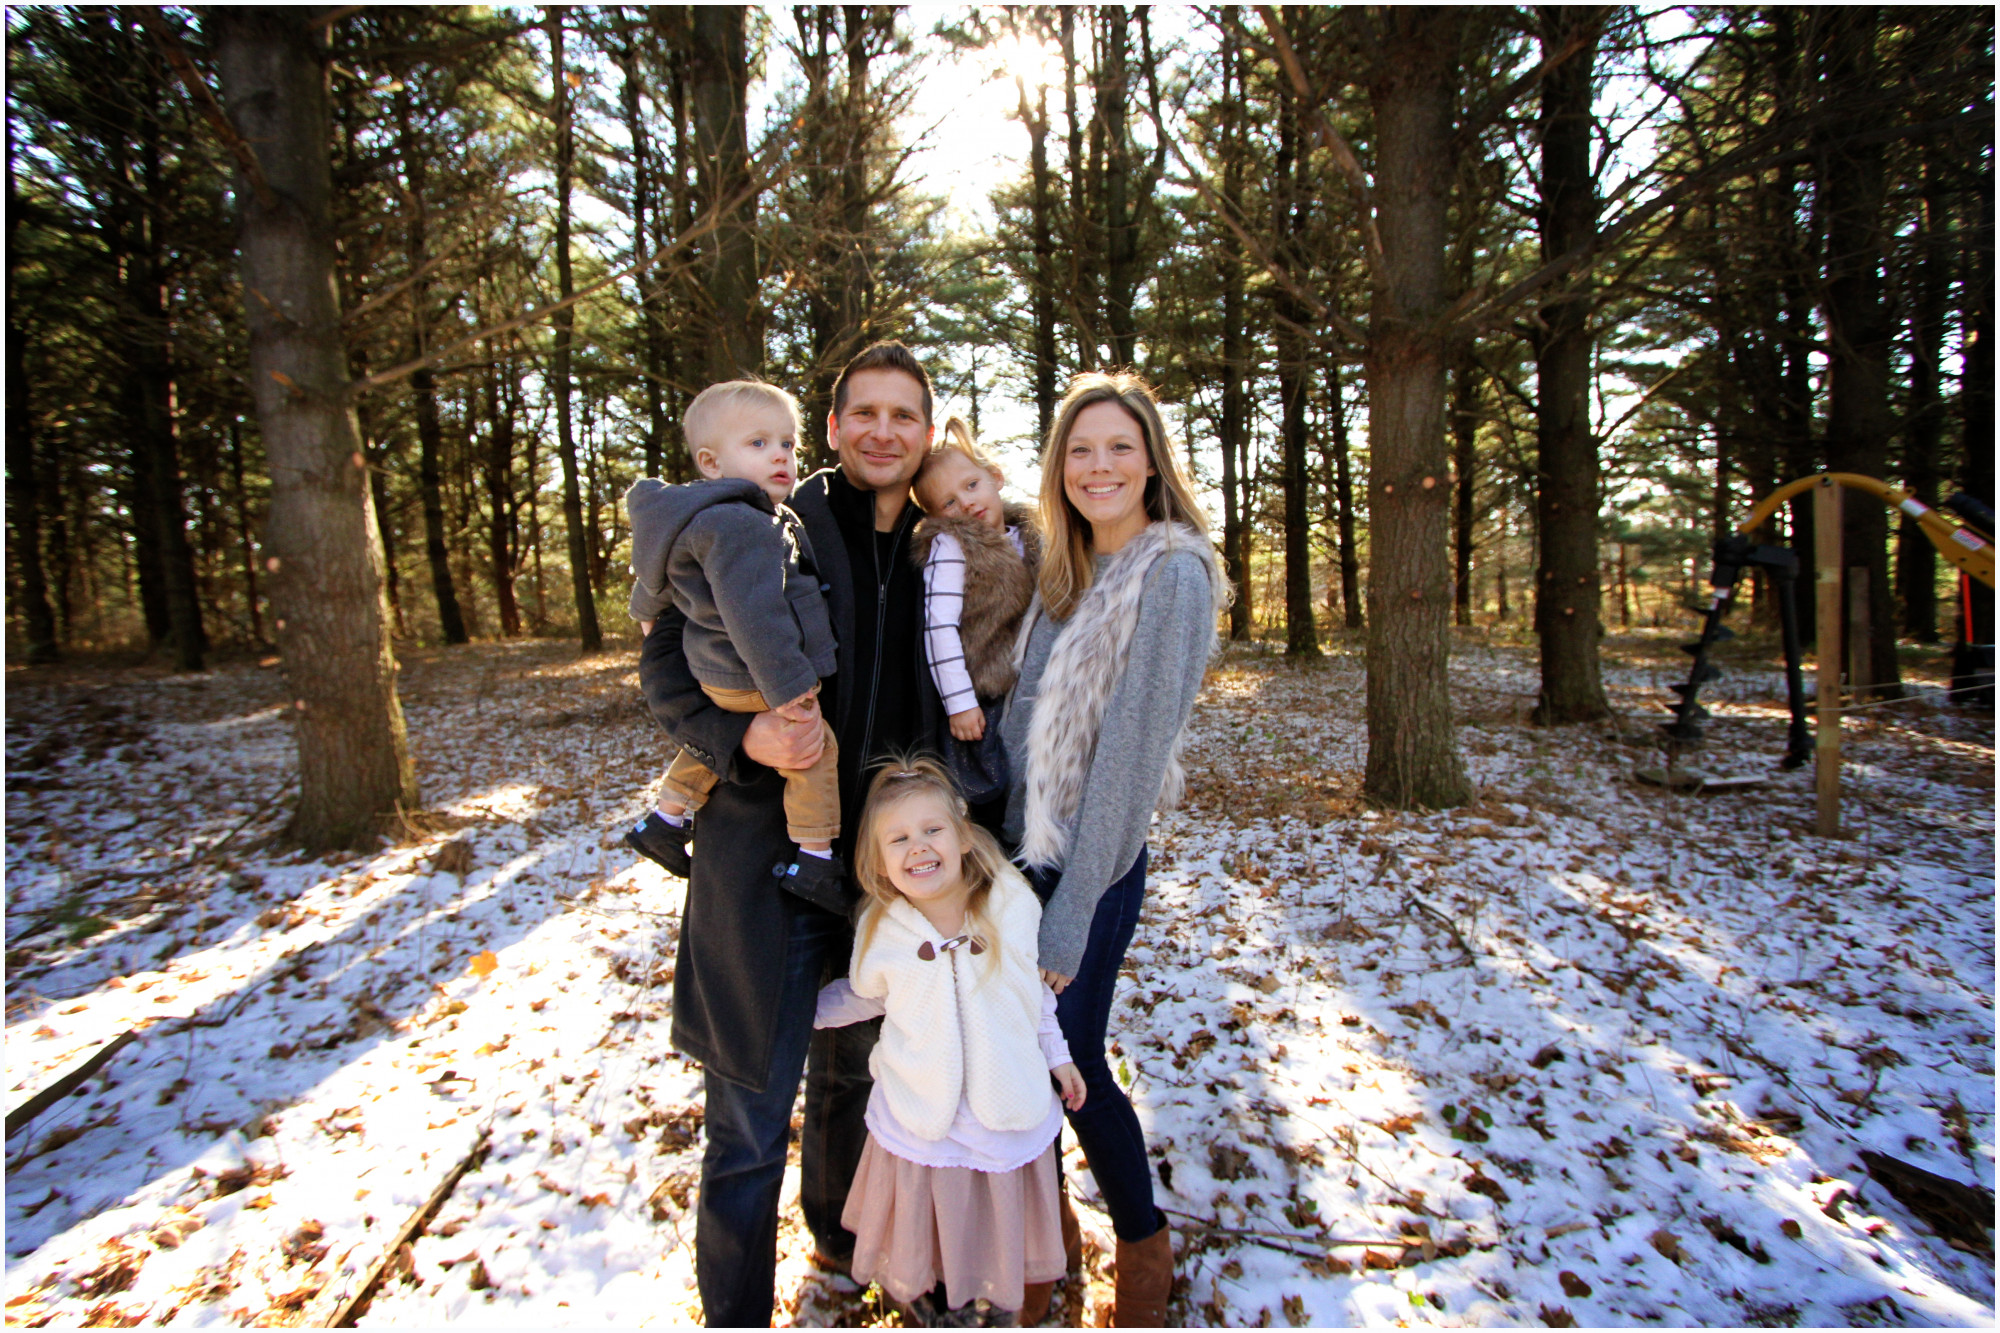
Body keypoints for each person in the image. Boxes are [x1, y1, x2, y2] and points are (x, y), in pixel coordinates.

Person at [638, 342, 943, 1326]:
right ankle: (732, 1313)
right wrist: (741, 733)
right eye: (866, 413)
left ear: (926, 432)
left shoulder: (950, 539)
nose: (884, 431)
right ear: (833, 427)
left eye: (905, 415)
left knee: (856, 1087)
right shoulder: (769, 519)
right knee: (747, 1117)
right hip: (762, 869)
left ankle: (840, 1252)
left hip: (883, 878)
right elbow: (661, 667)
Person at [1000, 372, 1228, 1327]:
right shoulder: (1062, 569)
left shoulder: (1171, 572)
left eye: (1119, 448)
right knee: (1016, 1056)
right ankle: (1043, 1244)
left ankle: (1142, 1248)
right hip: (1010, 854)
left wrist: (1071, 907)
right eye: (1080, 450)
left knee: (1072, 1053)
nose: (1099, 466)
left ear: (1152, 462)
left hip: (1090, 862)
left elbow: (1132, 761)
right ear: (1060, 467)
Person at [814, 757, 1084, 1326]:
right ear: (881, 863)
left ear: (962, 837)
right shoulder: (885, 929)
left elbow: (1032, 996)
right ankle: (934, 1303)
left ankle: (998, 1305)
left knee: (993, 1221)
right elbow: (866, 996)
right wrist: (793, 1016)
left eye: (932, 830)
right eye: (899, 838)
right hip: (924, 1113)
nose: (918, 847)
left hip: (1001, 1107)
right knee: (934, 1220)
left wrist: (1059, 1057)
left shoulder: (1009, 907)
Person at [620, 380, 844, 911]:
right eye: (758, 444)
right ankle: (816, 860)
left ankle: (666, 820)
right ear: (711, 462)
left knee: (705, 756)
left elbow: (653, 579)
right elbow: (756, 618)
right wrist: (791, 689)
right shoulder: (741, 525)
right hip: (756, 674)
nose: (781, 457)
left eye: (787, 444)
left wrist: (647, 618)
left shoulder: (697, 517)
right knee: (814, 752)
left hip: (718, 674)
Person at [910, 419, 1041, 814]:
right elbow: (939, 627)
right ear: (937, 517)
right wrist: (959, 702)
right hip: (986, 696)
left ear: (995, 478)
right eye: (949, 503)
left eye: (971, 485)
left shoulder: (1033, 536)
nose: (965, 503)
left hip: (1036, 688)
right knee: (991, 792)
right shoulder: (952, 546)